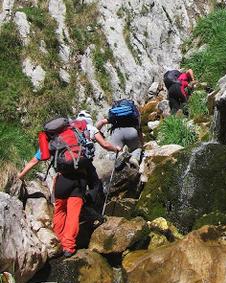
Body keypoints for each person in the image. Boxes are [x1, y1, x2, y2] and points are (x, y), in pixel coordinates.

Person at [18, 115, 121, 258]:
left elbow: (34, 161)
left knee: (60, 210)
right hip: (79, 180)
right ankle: (68, 247)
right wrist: (116, 149)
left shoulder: (54, 141)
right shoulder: (78, 135)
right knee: (73, 214)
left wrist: (20, 176)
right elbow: (102, 145)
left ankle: (57, 240)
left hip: (62, 179)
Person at [96, 99, 143, 166]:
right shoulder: (134, 115)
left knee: (114, 153)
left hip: (117, 132)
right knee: (136, 149)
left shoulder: (116, 115)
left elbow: (102, 122)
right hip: (132, 132)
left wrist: (96, 131)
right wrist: (142, 145)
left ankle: (120, 156)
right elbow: (139, 131)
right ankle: (134, 158)